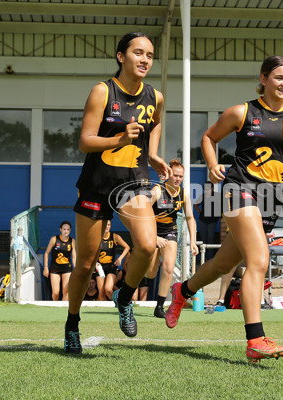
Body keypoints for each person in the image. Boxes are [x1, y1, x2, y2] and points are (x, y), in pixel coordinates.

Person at [164, 56, 283, 362]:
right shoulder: (242, 112)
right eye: (279, 77)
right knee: (258, 260)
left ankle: (181, 292)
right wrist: (212, 165)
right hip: (238, 191)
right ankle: (255, 339)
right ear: (263, 79)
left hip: (272, 199)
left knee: (223, 264)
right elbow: (209, 138)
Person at [64, 32, 171, 354]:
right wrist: (119, 139)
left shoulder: (156, 96)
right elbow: (85, 141)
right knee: (84, 265)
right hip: (97, 183)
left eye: (149, 55)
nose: (144, 60)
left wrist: (152, 152)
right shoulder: (102, 91)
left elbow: (156, 123)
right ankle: (72, 324)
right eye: (138, 53)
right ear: (121, 56)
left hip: (133, 182)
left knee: (148, 246)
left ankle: (124, 296)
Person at [146, 159, 199, 318]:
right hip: (151, 232)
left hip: (170, 232)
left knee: (168, 268)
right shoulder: (157, 191)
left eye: (180, 176)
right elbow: (142, 214)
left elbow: (190, 218)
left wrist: (193, 242)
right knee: (150, 272)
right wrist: (153, 237)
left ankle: (160, 307)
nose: (178, 179)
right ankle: (125, 294)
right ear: (168, 175)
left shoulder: (183, 194)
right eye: (175, 175)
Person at [93, 221, 130, 300]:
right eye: (105, 224)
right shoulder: (96, 237)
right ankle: (104, 310)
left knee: (108, 290)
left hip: (111, 266)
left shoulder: (114, 236)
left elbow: (127, 247)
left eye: (108, 224)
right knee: (101, 292)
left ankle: (116, 305)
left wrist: (120, 258)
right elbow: (89, 252)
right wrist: (95, 262)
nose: (107, 226)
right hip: (100, 267)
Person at [43, 221, 76, 301]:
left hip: (67, 269)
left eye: (68, 229)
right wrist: (46, 267)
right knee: (56, 292)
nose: (66, 231)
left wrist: (75, 269)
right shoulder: (54, 239)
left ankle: (64, 310)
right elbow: (46, 253)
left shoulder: (72, 241)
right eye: (64, 229)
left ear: (70, 230)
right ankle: (55, 306)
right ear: (60, 229)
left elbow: (74, 256)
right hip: (55, 268)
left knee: (66, 291)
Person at [194, 181, 221, 260]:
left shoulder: (217, 196)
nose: (207, 190)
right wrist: (198, 211)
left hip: (212, 221)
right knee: (203, 239)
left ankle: (210, 259)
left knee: (210, 239)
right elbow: (195, 203)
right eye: (205, 189)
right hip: (203, 220)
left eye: (208, 189)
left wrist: (219, 215)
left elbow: (222, 205)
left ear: (212, 188)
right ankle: (204, 259)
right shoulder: (202, 196)